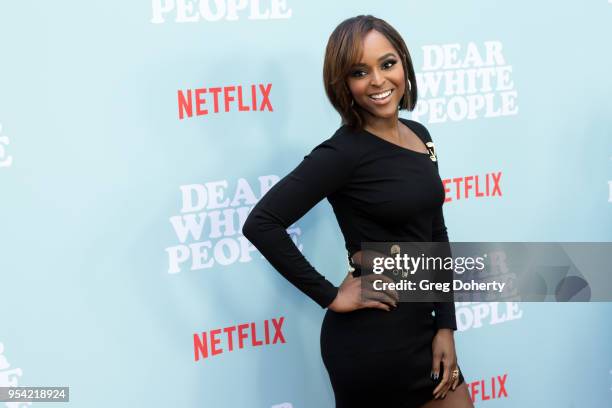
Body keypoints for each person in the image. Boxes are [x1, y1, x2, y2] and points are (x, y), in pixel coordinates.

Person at [242, 14, 474, 408]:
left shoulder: (421, 135)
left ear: (403, 62)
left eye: (387, 64)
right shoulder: (343, 153)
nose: (379, 81)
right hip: (372, 346)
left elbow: (436, 234)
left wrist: (446, 327)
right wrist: (330, 295)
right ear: (343, 84)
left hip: (425, 331)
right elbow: (261, 223)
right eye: (359, 72)